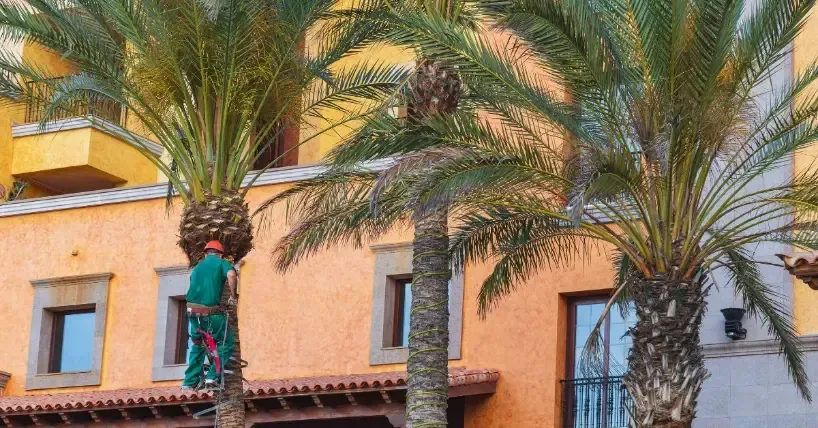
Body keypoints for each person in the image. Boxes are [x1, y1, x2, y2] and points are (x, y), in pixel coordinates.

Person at [182, 240, 238, 390]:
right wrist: (233, 295)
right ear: (220, 254)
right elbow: (232, 275)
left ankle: (189, 381)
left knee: (197, 343)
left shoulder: (197, 268)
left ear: (205, 254)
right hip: (210, 314)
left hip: (192, 314)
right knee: (226, 343)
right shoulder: (221, 263)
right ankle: (212, 377)